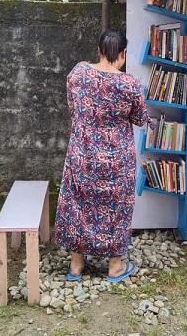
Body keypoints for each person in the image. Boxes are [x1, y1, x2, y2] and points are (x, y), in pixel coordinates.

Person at [52, 29, 152, 283]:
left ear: (98, 50)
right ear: (123, 54)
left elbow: (73, 107)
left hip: (81, 153)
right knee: (116, 207)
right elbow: (140, 119)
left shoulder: (78, 73)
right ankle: (115, 266)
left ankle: (76, 265)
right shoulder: (130, 84)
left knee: (77, 204)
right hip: (117, 158)